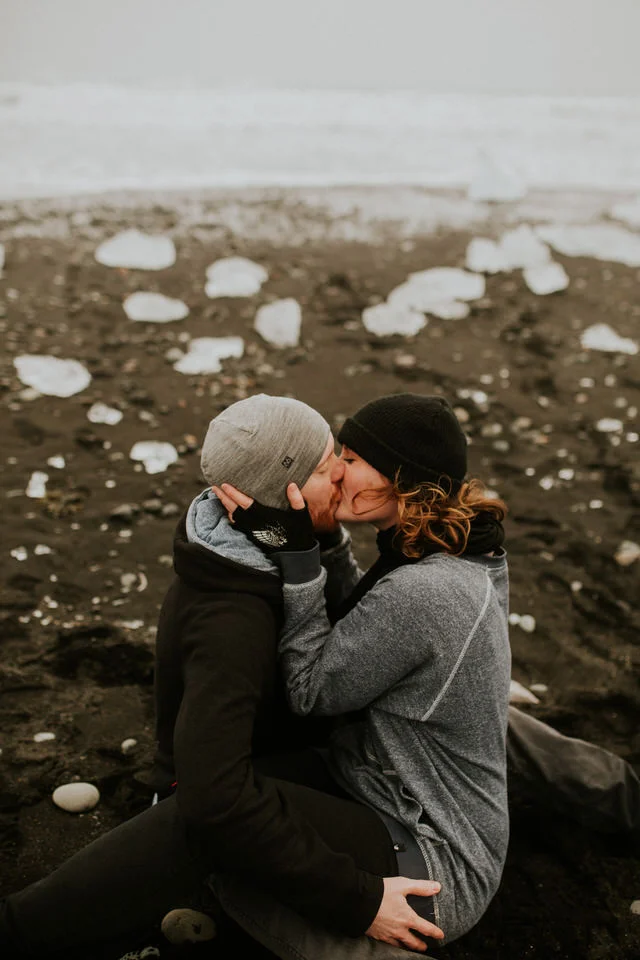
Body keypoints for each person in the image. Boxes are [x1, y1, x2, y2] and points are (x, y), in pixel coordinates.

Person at [0, 394, 444, 960]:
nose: (341, 471)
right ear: (277, 495)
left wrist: (318, 543)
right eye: (321, 466)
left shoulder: (267, 550)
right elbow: (214, 800)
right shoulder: (232, 619)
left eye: (335, 451)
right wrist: (358, 902)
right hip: (239, 791)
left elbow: (347, 627)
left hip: (301, 756)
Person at [215, 392, 512, 946]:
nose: (334, 470)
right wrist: (325, 538)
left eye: (350, 458)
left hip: (436, 857)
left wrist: (298, 560)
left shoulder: (430, 590)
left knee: (224, 851)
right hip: (399, 788)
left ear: (403, 477)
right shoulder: (462, 548)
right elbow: (373, 627)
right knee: (228, 807)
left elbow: (310, 689)